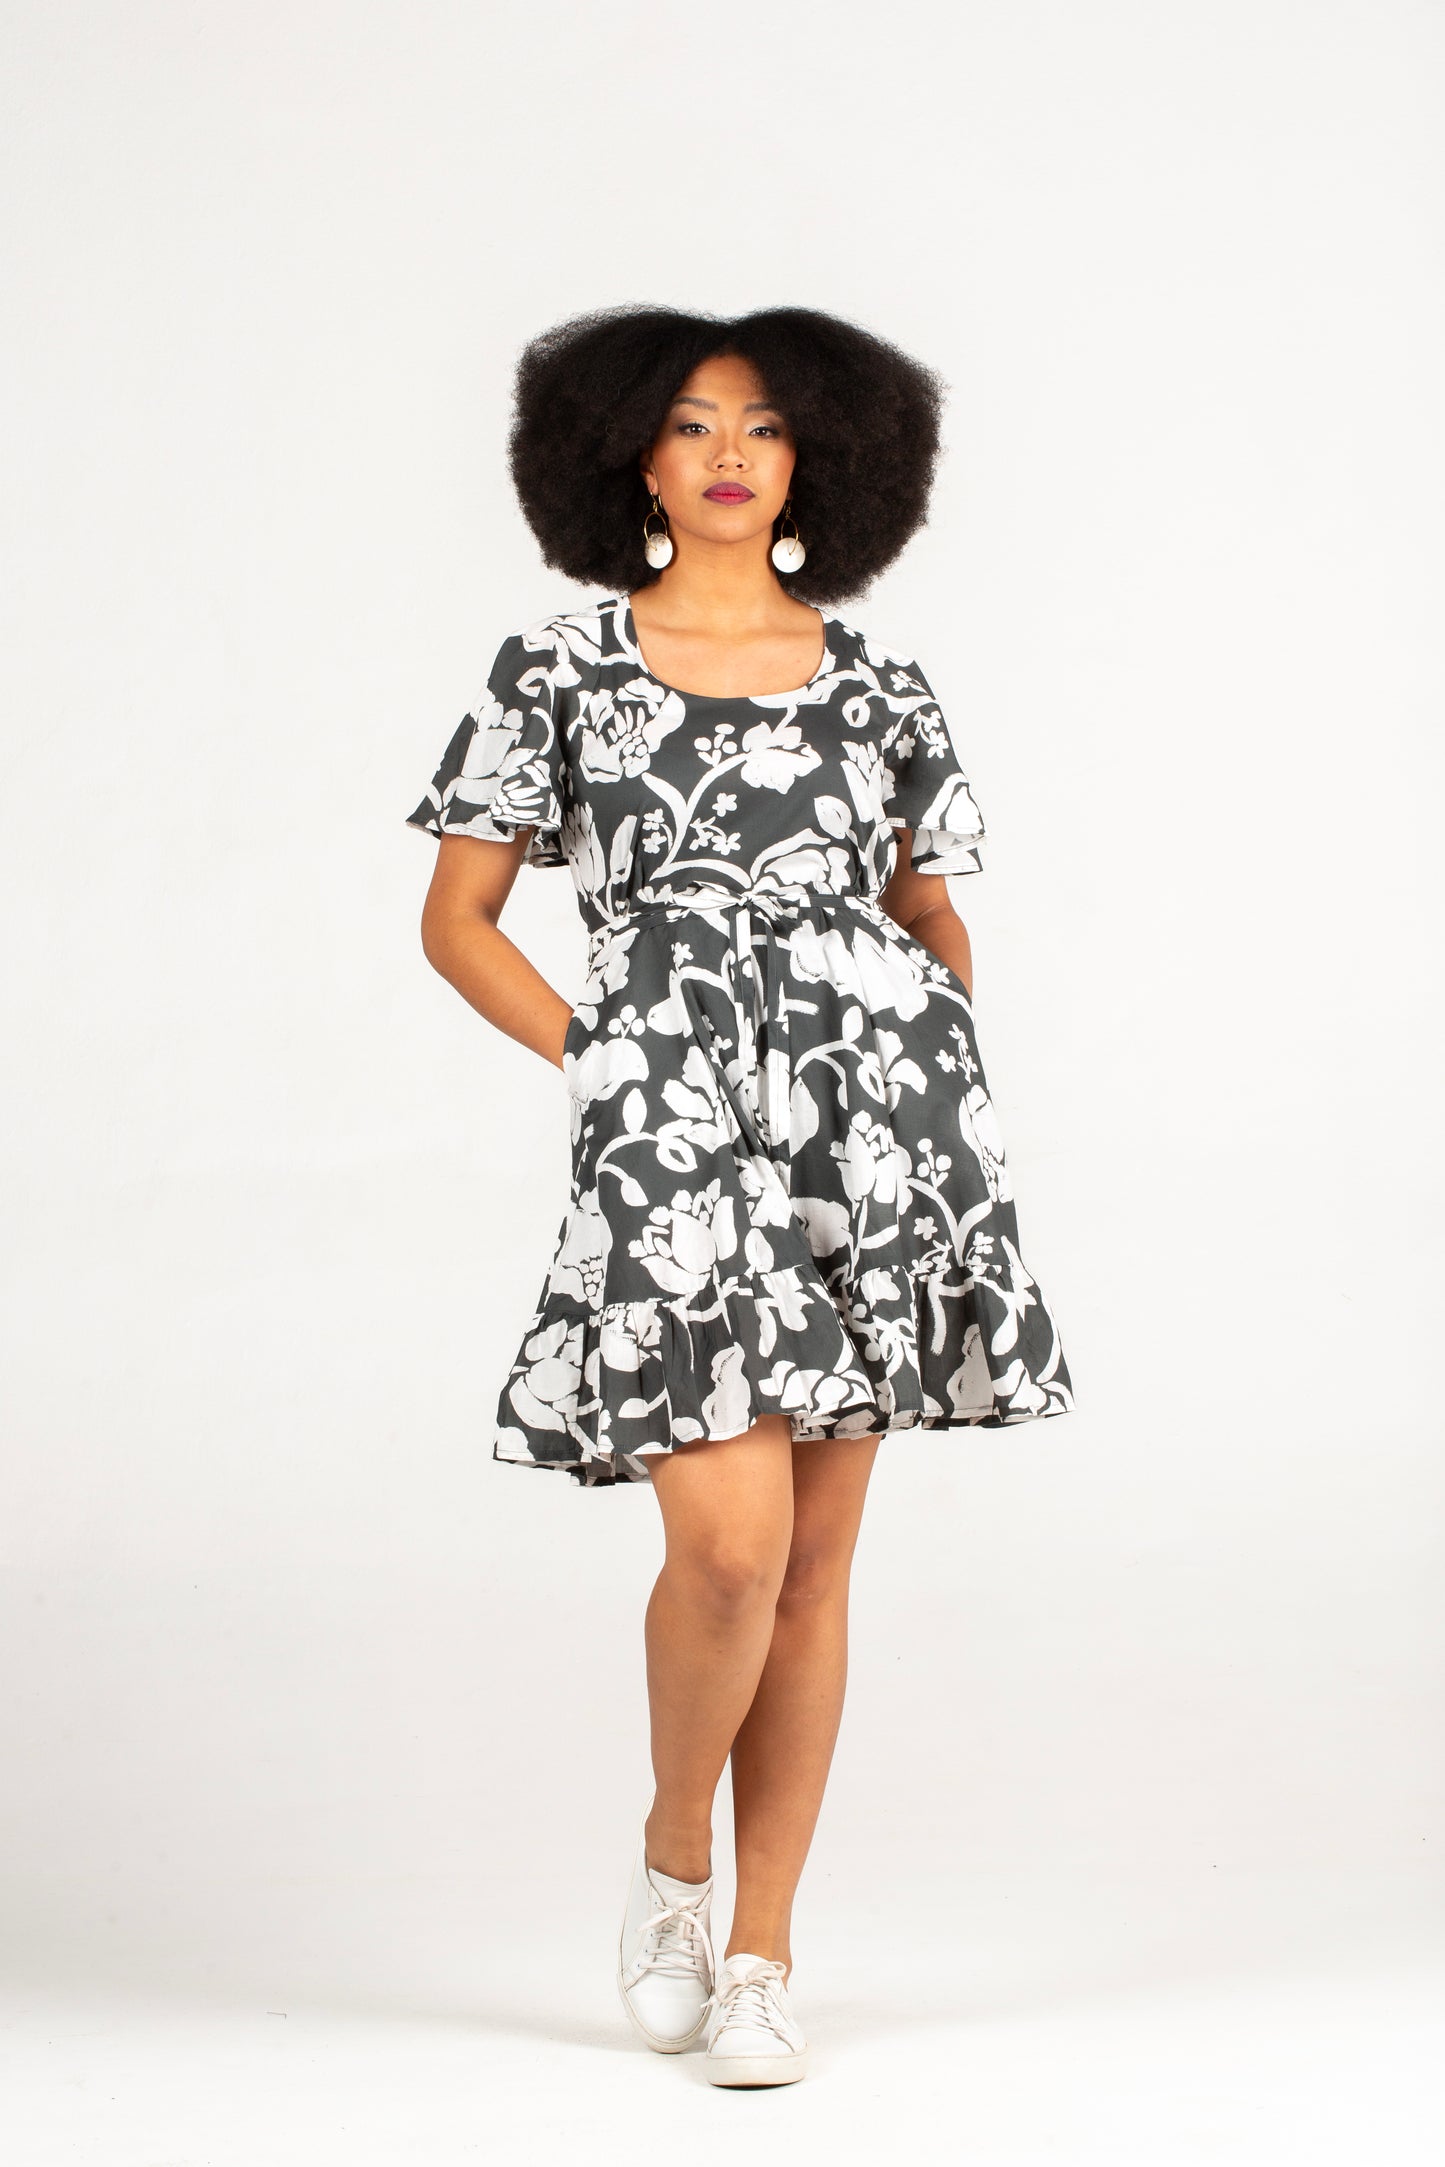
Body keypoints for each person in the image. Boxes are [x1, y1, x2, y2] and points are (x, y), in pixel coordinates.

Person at [404, 305, 1074, 2087]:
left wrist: (931, 1053)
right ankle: (671, 1862)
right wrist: (600, 1059)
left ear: (816, 463)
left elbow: (928, 905)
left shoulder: (881, 681)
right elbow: (456, 920)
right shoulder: (558, 668)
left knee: (815, 1564)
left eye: (763, 427)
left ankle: (765, 1953)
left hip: (878, 1130)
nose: (725, 454)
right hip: (672, 1126)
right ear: (628, 454)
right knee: (725, 1551)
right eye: (692, 422)